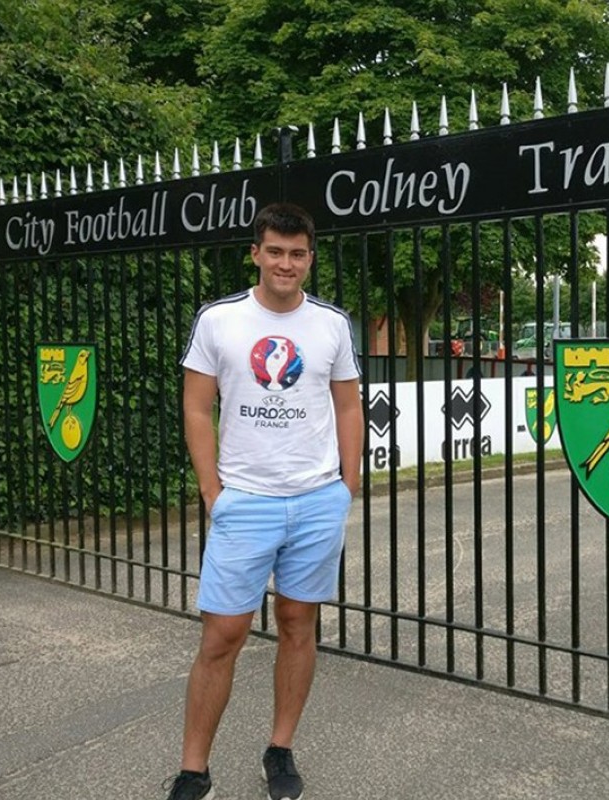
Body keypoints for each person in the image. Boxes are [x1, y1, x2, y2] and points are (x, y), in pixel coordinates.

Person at [165, 202, 363, 800]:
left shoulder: (331, 324)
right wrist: (212, 491)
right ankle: (194, 768)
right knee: (222, 635)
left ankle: (280, 749)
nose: (286, 263)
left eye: (297, 253)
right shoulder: (220, 320)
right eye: (274, 251)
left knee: (298, 625)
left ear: (309, 258)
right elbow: (198, 408)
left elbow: (349, 405)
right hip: (244, 501)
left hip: (315, 500)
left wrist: (344, 487)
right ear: (255, 253)